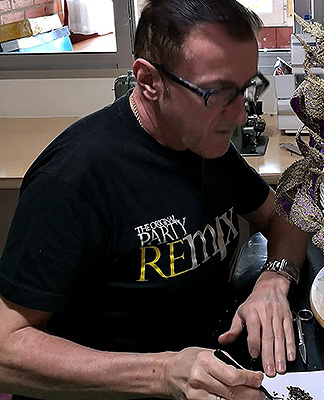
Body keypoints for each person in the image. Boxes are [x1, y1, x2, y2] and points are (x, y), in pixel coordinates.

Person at [0, 1, 308, 399]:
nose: (237, 115)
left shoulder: (201, 142)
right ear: (148, 81)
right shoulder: (74, 181)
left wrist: (274, 279)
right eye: (216, 94)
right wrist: (162, 373)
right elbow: (7, 348)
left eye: (246, 88)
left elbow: (286, 216)